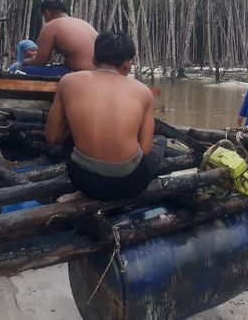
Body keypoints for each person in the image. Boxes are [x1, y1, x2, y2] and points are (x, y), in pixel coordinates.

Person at [45, 32, 164, 201]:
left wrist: (75, 129)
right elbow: (144, 150)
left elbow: (52, 137)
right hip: (130, 185)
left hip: (84, 181)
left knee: (71, 141)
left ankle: (81, 192)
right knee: (160, 142)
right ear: (127, 65)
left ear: (94, 60)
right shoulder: (144, 91)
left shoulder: (67, 81)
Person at [20, 0, 98, 75]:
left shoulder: (51, 25)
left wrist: (24, 62)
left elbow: (40, 61)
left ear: (47, 13)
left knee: (26, 70)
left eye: (44, 17)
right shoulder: (83, 23)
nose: (45, 20)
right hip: (97, 71)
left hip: (77, 71)